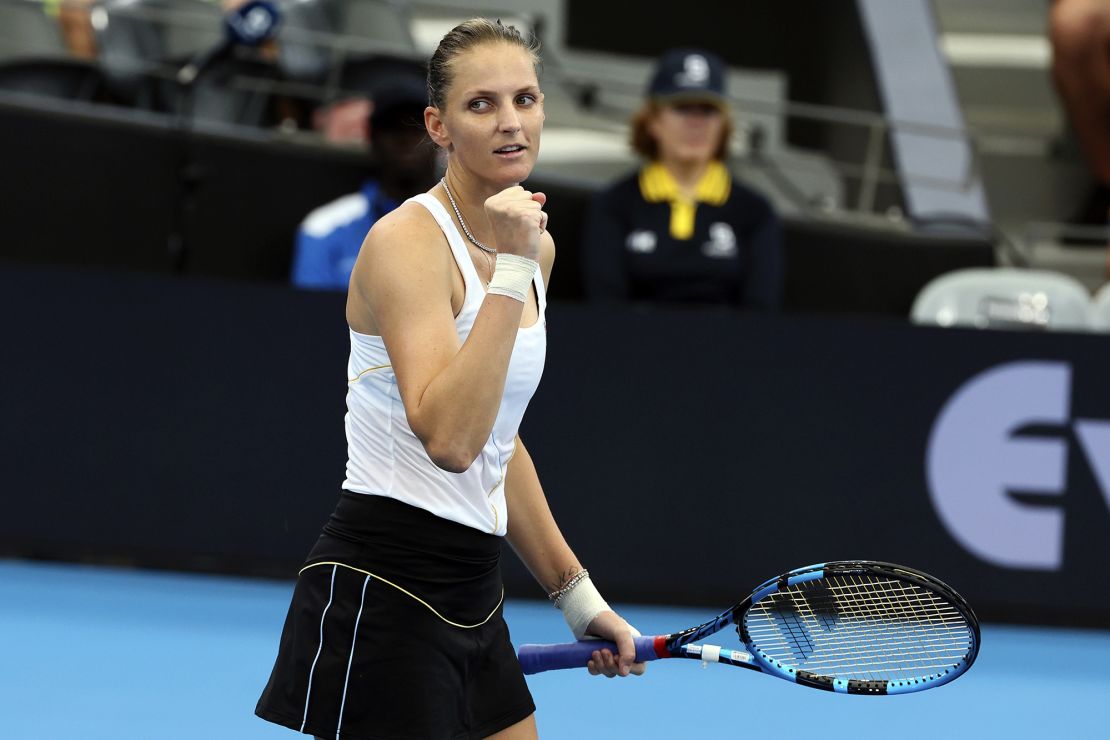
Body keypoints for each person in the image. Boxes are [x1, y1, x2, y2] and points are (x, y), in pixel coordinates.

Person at [256, 18, 644, 740]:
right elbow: (453, 439)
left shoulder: (537, 249)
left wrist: (578, 597)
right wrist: (512, 266)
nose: (510, 123)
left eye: (525, 99)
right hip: (385, 584)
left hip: (472, 586)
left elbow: (500, 440)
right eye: (481, 104)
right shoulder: (406, 242)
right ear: (438, 125)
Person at [581, 48, 783, 307]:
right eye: (682, 108)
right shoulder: (613, 205)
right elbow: (605, 308)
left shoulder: (755, 211)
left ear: (724, 123)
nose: (696, 122)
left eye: (708, 110)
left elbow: (762, 315)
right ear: (653, 120)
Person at [291, 75, 440, 290]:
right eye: (393, 128)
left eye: (416, 127)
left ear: (440, 134)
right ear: (372, 136)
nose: (405, 139)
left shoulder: (472, 225)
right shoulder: (323, 228)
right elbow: (307, 314)